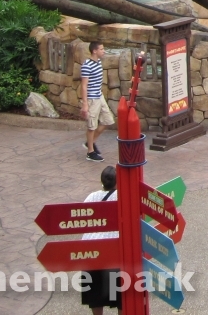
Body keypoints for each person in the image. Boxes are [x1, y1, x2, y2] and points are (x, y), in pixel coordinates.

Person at [81, 166, 120, 314]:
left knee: (95, 296)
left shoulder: (92, 196)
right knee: (120, 297)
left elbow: (81, 221)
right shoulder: (122, 197)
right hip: (114, 252)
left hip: (91, 253)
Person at [81, 42, 114, 162]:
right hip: (91, 99)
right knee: (92, 126)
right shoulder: (87, 65)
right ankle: (90, 152)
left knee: (107, 120)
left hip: (99, 96)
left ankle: (90, 142)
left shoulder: (99, 62)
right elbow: (84, 86)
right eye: (101, 49)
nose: (104, 51)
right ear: (94, 51)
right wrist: (85, 104)